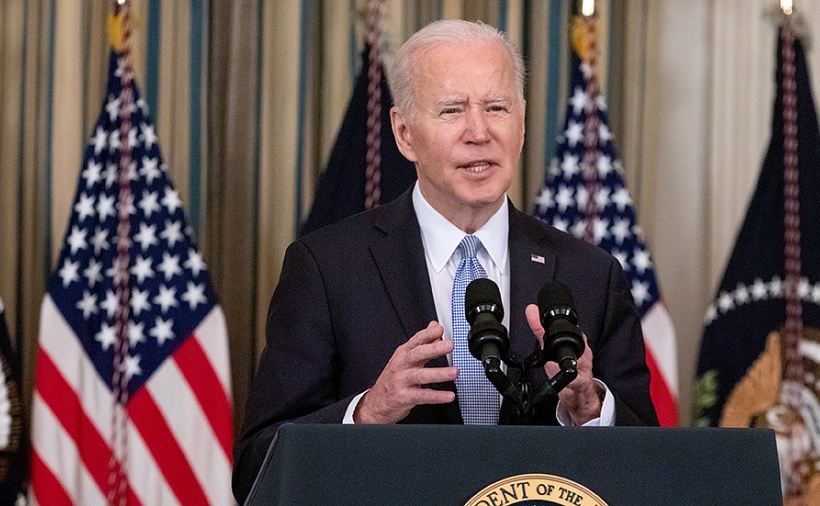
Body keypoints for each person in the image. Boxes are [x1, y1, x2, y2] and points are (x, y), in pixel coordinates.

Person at [232, 19, 657, 502]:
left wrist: (592, 408)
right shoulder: (328, 268)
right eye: (452, 110)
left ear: (520, 125)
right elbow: (255, 470)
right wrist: (368, 412)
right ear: (404, 133)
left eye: (497, 108)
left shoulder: (590, 275)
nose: (479, 132)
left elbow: (651, 468)